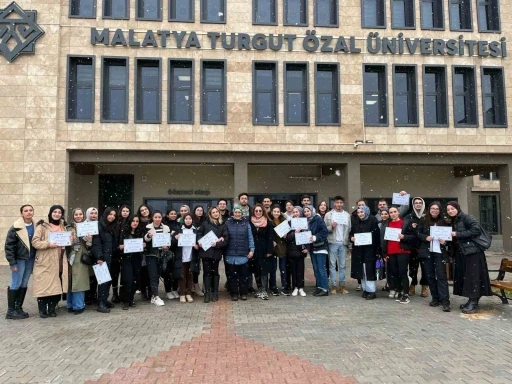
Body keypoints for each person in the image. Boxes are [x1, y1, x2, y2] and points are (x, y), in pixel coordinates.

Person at [447, 201, 492, 314]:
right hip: (463, 253)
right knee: (466, 276)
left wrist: (457, 234)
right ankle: (471, 299)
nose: (450, 211)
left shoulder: (467, 217)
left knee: (474, 277)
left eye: (452, 208)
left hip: (473, 252)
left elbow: (475, 230)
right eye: (448, 210)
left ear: (457, 208)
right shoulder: (454, 221)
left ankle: (474, 302)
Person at [32, 205, 69, 318]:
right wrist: (48, 244)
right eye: (55, 212)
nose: (57, 214)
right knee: (43, 286)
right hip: (46, 260)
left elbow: (66, 241)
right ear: (50, 213)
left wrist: (69, 240)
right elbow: (35, 242)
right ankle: (42, 310)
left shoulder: (64, 227)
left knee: (56, 285)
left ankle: (52, 309)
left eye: (59, 212)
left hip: (59, 260)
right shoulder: (42, 226)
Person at [4, 204, 37, 319]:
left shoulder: (36, 226)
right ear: (21, 213)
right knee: (16, 283)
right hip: (19, 259)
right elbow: (9, 246)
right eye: (26, 210)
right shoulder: (15, 227)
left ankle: (19, 307)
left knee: (24, 283)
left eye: (30, 210)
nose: (28, 212)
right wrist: (12, 262)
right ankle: (11, 311)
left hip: (30, 259)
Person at [417, 202, 451, 312]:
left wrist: (445, 242)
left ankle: (445, 300)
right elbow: (418, 233)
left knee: (441, 276)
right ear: (429, 209)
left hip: (439, 252)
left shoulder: (445, 221)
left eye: (437, 209)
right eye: (432, 208)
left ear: (440, 210)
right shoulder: (423, 220)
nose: (434, 210)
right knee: (430, 276)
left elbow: (449, 238)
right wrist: (425, 237)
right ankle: (435, 298)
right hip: (427, 252)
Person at [382, 206, 417, 304]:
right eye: (391, 212)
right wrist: (384, 253)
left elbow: (413, 236)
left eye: (394, 212)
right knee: (394, 273)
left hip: (402, 251)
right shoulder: (387, 224)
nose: (393, 214)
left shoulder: (405, 222)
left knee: (403, 273)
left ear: (398, 212)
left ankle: (406, 294)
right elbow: (384, 240)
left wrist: (404, 236)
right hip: (391, 252)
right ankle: (400, 290)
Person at [197, 207, 228, 303]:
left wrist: (217, 244)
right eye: (213, 212)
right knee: (207, 273)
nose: (215, 214)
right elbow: (199, 233)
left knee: (215, 273)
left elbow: (226, 239)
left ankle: (215, 293)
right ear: (210, 214)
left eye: (217, 212)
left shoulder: (223, 224)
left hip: (216, 252)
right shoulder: (205, 223)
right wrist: (200, 241)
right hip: (206, 252)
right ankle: (207, 293)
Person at [349, 205, 381, 300]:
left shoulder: (373, 220)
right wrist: (352, 238)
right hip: (358, 250)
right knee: (361, 270)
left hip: (369, 250)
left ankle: (371, 291)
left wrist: (376, 249)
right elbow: (351, 233)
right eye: (358, 213)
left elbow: (376, 235)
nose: (360, 214)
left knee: (369, 270)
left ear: (366, 212)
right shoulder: (356, 222)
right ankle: (365, 289)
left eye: (362, 212)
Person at [224, 205, 255, 301]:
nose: (237, 214)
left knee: (243, 276)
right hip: (230, 254)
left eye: (239, 212)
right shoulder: (228, 223)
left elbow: (250, 237)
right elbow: (224, 236)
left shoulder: (246, 224)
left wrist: (252, 250)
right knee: (232, 276)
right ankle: (234, 293)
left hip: (243, 254)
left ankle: (243, 293)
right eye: (236, 212)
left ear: (242, 213)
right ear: (233, 213)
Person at [65, 208, 91, 315]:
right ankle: (70, 305)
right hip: (70, 256)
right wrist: (68, 240)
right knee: (69, 281)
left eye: (80, 214)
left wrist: (89, 240)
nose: (78, 216)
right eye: (76, 214)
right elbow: (63, 242)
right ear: (73, 216)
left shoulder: (87, 227)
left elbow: (89, 246)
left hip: (81, 256)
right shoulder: (68, 228)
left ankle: (79, 305)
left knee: (79, 281)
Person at [91, 207, 117, 313]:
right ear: (105, 214)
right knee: (103, 281)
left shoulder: (112, 226)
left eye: (114, 215)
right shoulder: (99, 225)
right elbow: (96, 243)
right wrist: (99, 257)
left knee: (108, 280)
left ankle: (104, 299)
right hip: (102, 258)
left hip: (111, 257)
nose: (112, 217)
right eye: (110, 214)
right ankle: (100, 303)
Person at [324, 196, 351, 295]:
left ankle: (342, 285)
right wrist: (331, 226)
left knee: (343, 265)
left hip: (343, 243)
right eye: (337, 202)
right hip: (332, 242)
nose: (339, 204)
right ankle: (333, 285)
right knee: (332, 265)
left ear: (343, 203)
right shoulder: (329, 215)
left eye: (341, 202)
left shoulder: (347, 215)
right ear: (334, 203)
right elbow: (324, 228)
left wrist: (349, 244)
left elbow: (349, 229)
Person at [143, 211, 169, 306]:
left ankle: (153, 295)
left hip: (161, 255)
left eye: (159, 217)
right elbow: (144, 239)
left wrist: (167, 246)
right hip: (151, 255)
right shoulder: (147, 227)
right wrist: (148, 236)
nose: (158, 219)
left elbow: (168, 240)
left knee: (157, 275)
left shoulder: (166, 228)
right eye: (156, 217)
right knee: (153, 275)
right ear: (152, 218)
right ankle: (156, 296)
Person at [119, 215, 144, 310]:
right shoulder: (124, 233)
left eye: (137, 221)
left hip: (136, 258)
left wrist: (143, 245)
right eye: (133, 221)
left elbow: (142, 245)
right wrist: (120, 247)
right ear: (129, 222)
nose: (135, 223)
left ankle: (131, 299)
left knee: (135, 280)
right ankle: (126, 300)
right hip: (126, 259)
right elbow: (118, 246)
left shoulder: (139, 232)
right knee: (128, 280)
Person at [250, 203, 274, 300]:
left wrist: (269, 250)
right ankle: (259, 288)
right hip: (254, 249)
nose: (258, 212)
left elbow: (270, 237)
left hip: (264, 249)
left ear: (263, 211)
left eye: (260, 211)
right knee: (256, 270)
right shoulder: (250, 222)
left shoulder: (267, 222)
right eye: (256, 211)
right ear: (254, 212)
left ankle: (264, 289)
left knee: (264, 270)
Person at [405, 197, 429, 298]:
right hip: (413, 247)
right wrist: (411, 227)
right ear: (413, 205)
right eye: (416, 203)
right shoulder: (409, 216)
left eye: (420, 203)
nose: (418, 204)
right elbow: (405, 231)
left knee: (426, 268)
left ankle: (425, 286)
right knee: (412, 268)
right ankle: (412, 285)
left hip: (425, 246)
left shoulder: (428, 216)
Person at [304, 205, 329, 297]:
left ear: (312, 211)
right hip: (313, 248)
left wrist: (315, 237)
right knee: (316, 269)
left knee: (321, 269)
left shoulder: (318, 219)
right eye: (305, 212)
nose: (306, 213)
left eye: (308, 211)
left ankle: (325, 289)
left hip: (321, 247)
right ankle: (319, 287)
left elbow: (324, 232)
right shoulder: (306, 221)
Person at [286, 206, 308, 296]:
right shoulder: (289, 223)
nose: (295, 214)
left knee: (300, 270)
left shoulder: (305, 222)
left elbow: (308, 236)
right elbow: (287, 238)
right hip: (292, 250)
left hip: (301, 250)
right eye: (294, 212)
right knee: (293, 270)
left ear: (300, 213)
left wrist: (307, 248)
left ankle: (301, 287)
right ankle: (295, 287)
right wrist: (294, 233)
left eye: (297, 212)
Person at [112, 205, 130, 304]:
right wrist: (118, 246)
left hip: (126, 253)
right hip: (116, 252)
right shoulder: (115, 223)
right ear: (120, 211)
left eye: (127, 211)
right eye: (123, 211)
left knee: (124, 274)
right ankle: (115, 294)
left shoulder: (131, 222)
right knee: (115, 274)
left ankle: (122, 294)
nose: (125, 212)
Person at [270, 205, 288, 296]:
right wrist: (271, 241)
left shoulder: (284, 222)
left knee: (283, 268)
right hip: (273, 248)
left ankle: (284, 287)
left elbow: (287, 235)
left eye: (278, 211)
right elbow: (268, 235)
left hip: (282, 247)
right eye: (274, 211)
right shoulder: (269, 222)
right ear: (272, 212)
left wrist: (285, 236)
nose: (276, 213)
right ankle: (273, 287)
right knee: (273, 269)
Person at [163, 208, 179, 300]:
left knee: (175, 271)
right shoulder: (165, 226)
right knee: (167, 272)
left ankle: (175, 289)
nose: (173, 215)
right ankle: (168, 290)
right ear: (168, 215)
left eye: (174, 213)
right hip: (167, 251)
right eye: (171, 213)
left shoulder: (179, 225)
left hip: (176, 250)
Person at [137, 204, 152, 301]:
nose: (144, 211)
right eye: (142, 210)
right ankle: (143, 291)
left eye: (145, 209)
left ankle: (151, 291)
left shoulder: (153, 220)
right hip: (141, 250)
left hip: (152, 249)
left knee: (152, 272)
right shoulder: (138, 222)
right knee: (143, 272)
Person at [84, 207, 99, 306]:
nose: (93, 215)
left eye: (95, 213)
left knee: (95, 277)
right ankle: (87, 297)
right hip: (87, 253)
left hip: (97, 254)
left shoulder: (99, 224)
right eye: (91, 213)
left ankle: (93, 296)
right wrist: (88, 240)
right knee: (88, 276)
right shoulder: (83, 225)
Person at [191, 206, 205, 297]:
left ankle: (201, 286)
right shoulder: (191, 221)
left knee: (202, 268)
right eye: (198, 210)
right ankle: (194, 286)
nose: (200, 212)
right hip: (193, 248)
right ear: (194, 211)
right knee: (194, 268)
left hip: (203, 247)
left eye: (201, 210)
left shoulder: (205, 221)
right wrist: (194, 243)